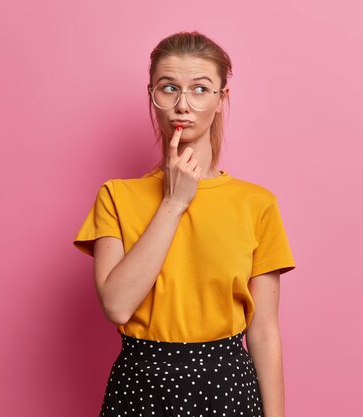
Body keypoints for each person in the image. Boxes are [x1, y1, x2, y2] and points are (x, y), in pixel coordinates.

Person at [73, 31, 296, 417]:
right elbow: (117, 305)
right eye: (169, 88)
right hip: (141, 386)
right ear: (153, 96)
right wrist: (173, 203)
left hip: (227, 386)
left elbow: (264, 331)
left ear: (221, 98)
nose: (182, 104)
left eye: (200, 89)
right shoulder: (116, 196)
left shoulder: (256, 204)